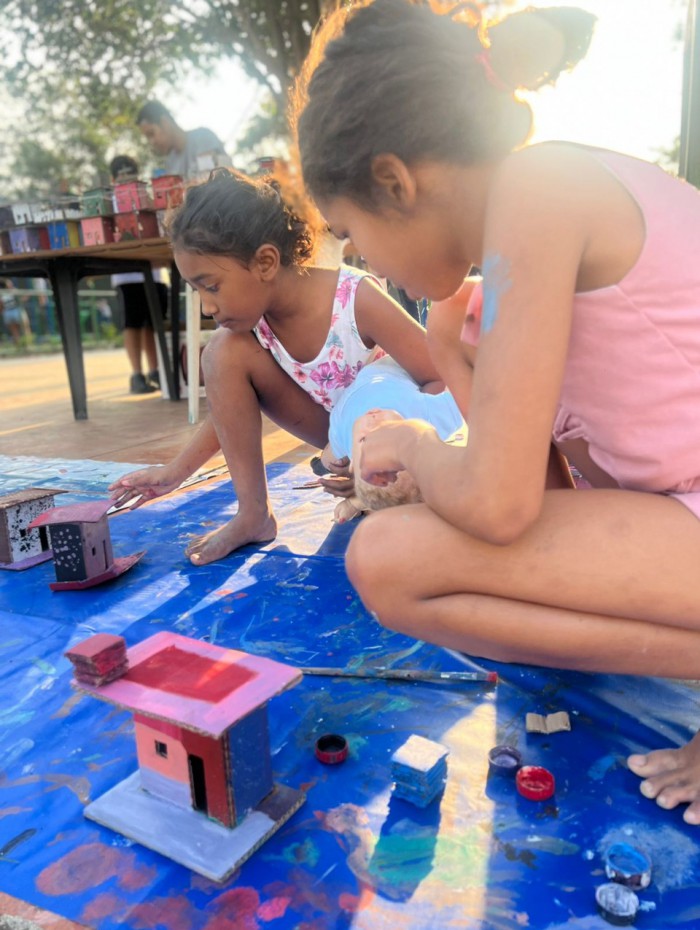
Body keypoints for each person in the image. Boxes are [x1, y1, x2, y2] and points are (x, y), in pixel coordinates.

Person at [294, 0, 700, 826]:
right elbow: (541, 490)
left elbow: (500, 507)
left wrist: (413, 443)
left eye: (351, 233)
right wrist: (449, 348)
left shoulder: (541, 189)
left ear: (395, 180)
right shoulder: (502, 269)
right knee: (396, 560)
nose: (363, 260)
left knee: (387, 556)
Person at [108, 167, 438, 564]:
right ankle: (253, 515)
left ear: (265, 262)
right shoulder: (254, 322)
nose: (207, 307)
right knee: (220, 353)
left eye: (211, 286)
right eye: (196, 291)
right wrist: (175, 472)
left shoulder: (355, 299)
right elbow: (231, 413)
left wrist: (393, 457)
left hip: (397, 442)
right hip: (334, 439)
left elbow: (440, 379)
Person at [320, 356, 466, 522]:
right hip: (390, 366)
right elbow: (465, 393)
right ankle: (362, 499)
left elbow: (336, 439)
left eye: (365, 439)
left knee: (328, 461)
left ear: (352, 464)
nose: (373, 422)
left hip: (348, 390)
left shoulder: (345, 434)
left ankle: (359, 501)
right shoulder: (427, 419)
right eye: (385, 430)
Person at [108, 155, 170, 394]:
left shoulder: (148, 197)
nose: (126, 177)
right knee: (132, 324)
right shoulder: (110, 203)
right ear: (114, 179)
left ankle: (156, 370)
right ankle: (137, 373)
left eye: (130, 172)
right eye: (121, 174)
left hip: (154, 273)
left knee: (154, 324)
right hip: (126, 275)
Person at [136, 101, 231, 179]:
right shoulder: (170, 162)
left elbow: (209, 180)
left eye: (151, 133)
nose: (152, 142)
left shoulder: (202, 137)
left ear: (165, 123)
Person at [0, 279, 32, 347]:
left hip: (12, 311)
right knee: (19, 329)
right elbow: (1, 305)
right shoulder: (8, 291)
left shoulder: (8, 291)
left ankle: (24, 345)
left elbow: (1, 305)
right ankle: (23, 345)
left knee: (20, 329)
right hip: (12, 311)